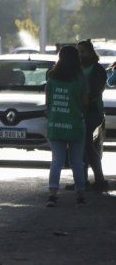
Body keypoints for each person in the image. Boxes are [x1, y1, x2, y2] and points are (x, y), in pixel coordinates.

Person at [45, 45, 88, 207]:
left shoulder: (52, 77)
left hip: (56, 124)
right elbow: (84, 102)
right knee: (77, 161)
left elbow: (48, 101)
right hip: (75, 124)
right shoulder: (81, 77)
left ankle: (52, 195)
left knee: (57, 160)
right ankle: (81, 195)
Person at [77, 40, 108, 189]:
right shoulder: (77, 68)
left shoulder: (98, 70)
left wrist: (84, 101)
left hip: (93, 112)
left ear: (90, 52)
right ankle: (92, 179)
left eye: (82, 51)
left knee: (86, 146)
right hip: (79, 112)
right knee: (87, 147)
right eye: (78, 52)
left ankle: (85, 180)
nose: (80, 55)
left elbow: (96, 91)